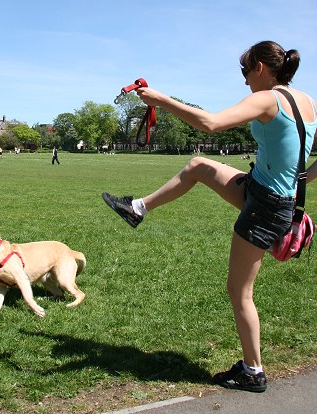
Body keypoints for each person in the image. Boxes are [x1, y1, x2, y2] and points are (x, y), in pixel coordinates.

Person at [102, 41, 317, 393]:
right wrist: (301, 178)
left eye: (245, 71)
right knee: (199, 166)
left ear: (261, 67)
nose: (245, 80)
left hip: (266, 206)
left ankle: (253, 371)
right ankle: (136, 208)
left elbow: (210, 123)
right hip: (262, 191)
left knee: (239, 291)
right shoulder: (307, 101)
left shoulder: (267, 98)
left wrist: (161, 100)